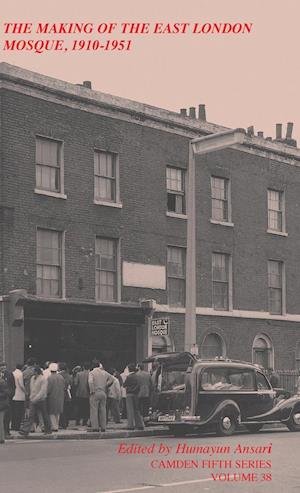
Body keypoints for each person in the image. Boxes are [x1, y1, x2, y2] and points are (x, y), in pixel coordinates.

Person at [19, 365, 52, 437]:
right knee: (31, 415)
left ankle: (48, 429)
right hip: (33, 399)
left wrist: (36, 398)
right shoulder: (32, 378)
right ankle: (25, 430)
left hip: (41, 400)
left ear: (37, 371)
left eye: (33, 370)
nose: (32, 372)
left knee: (44, 415)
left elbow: (42, 391)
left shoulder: (43, 379)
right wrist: (31, 398)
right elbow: (32, 389)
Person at [88, 360, 114, 432]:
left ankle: (95, 427)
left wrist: (92, 390)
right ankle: (103, 427)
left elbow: (90, 382)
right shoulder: (104, 372)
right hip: (103, 392)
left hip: (95, 392)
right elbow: (112, 379)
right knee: (103, 410)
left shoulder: (92, 373)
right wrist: (106, 384)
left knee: (94, 410)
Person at [123, 363, 144, 431]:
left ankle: (130, 425)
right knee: (137, 410)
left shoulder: (129, 377)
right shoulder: (138, 376)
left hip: (129, 394)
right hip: (136, 394)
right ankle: (140, 424)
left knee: (130, 410)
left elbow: (124, 385)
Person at [47, 363, 65, 431]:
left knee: (51, 413)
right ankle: (56, 425)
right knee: (58, 413)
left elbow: (48, 389)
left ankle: (54, 427)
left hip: (52, 397)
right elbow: (64, 387)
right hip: (60, 397)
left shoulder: (50, 378)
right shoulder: (61, 377)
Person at [0, 361, 16, 437]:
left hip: (7, 398)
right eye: (1, 367)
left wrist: (11, 395)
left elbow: (13, 386)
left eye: (4, 367)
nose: (3, 368)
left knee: (7, 415)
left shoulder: (9, 374)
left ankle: (7, 431)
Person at [11, 364, 26, 431]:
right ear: (22, 368)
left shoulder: (13, 373)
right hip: (20, 395)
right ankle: (17, 426)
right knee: (19, 412)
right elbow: (21, 385)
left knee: (14, 412)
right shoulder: (20, 374)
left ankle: (13, 426)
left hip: (13, 395)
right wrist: (26, 392)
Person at [58, 362, 72, 429]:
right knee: (66, 408)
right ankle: (66, 422)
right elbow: (70, 383)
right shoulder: (68, 375)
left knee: (61, 408)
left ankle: (62, 423)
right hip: (67, 393)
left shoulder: (59, 375)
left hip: (60, 393)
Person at [0, 374, 9, 444]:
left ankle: (1, 438)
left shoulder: (2, 382)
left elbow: (5, 393)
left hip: (2, 404)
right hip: (2, 404)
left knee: (0, 422)